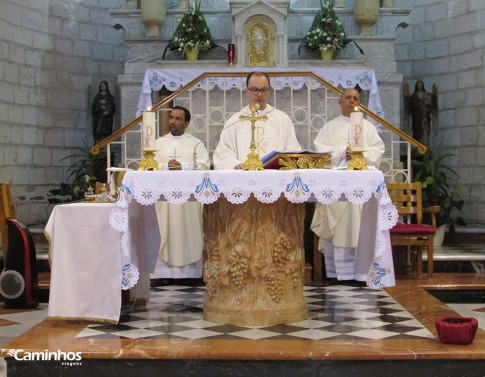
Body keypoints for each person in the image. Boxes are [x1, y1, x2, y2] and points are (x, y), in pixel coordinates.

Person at [310, 87, 385, 283]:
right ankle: (338, 274)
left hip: (361, 188)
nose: (352, 101)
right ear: (340, 101)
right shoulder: (329, 127)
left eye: (356, 99)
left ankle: (362, 273)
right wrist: (343, 152)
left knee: (360, 225)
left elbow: (378, 150)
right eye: (348, 98)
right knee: (339, 224)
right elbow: (320, 152)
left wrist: (361, 155)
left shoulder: (367, 128)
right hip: (336, 189)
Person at [153, 106, 210, 277]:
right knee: (164, 231)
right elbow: (151, 166)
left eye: (178, 119)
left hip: (188, 201)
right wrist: (166, 167)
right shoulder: (158, 143)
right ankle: (162, 275)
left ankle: (190, 275)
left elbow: (204, 166)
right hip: (164, 199)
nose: (173, 121)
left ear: (186, 123)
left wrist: (183, 167)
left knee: (189, 232)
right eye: (171, 117)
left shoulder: (196, 143)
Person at [213, 71, 301, 169]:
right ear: (247, 91)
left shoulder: (282, 120)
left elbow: (293, 152)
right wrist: (235, 164)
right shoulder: (235, 121)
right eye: (255, 90)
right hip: (243, 177)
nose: (259, 94)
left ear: (269, 91)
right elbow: (223, 153)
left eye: (263, 90)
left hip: (274, 178)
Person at [404, 79, 438, 148]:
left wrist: (434, 96)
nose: (420, 86)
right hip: (417, 117)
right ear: (416, 86)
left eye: (421, 85)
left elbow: (431, 105)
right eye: (418, 85)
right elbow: (410, 105)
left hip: (425, 116)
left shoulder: (427, 94)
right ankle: (417, 146)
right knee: (417, 131)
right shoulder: (413, 96)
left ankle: (426, 145)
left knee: (425, 129)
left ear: (423, 86)